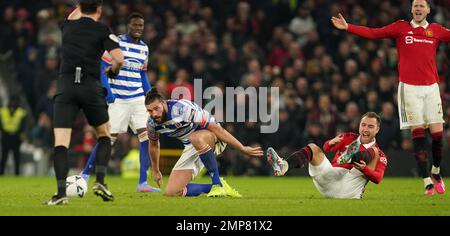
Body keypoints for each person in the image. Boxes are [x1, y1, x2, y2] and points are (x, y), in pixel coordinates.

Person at [331, 0, 449, 195]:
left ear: (428, 10)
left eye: (422, 6)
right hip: (409, 89)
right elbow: (374, 33)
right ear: (411, 9)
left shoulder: (436, 30)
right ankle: (426, 180)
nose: (418, 9)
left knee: (437, 135)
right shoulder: (401, 27)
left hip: (431, 88)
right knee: (418, 134)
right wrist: (348, 27)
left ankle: (435, 172)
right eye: (415, 5)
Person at [44, 0, 124, 205]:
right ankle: (100, 182)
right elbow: (119, 59)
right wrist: (112, 71)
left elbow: (72, 15)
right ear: (99, 9)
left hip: (66, 87)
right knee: (104, 135)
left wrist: (81, 5)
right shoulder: (102, 30)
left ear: (80, 7)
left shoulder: (68, 26)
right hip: (90, 87)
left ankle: (61, 194)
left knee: (61, 143)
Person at [80, 12, 160, 193]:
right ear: (128, 26)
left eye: (141, 25)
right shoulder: (116, 42)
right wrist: (107, 89)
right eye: (135, 25)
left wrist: (150, 95)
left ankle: (142, 183)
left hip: (138, 99)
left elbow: (142, 74)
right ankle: (84, 175)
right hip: (119, 99)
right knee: (107, 139)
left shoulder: (144, 48)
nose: (138, 28)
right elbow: (102, 68)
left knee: (147, 137)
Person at [145, 89, 264, 197]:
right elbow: (154, 145)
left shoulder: (181, 109)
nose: (154, 114)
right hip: (192, 145)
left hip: (214, 137)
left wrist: (242, 148)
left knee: (195, 138)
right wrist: (155, 170)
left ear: (163, 102)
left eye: (157, 108)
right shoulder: (152, 123)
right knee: (172, 192)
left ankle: (216, 183)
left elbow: (216, 129)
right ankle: (219, 187)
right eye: (150, 111)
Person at [267, 112, 388, 199]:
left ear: (377, 129)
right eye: (363, 125)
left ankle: (350, 158)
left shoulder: (380, 154)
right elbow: (326, 148)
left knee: (374, 152)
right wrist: (330, 142)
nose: (365, 129)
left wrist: (365, 169)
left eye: (370, 126)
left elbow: (378, 178)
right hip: (331, 178)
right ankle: (283, 166)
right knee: (313, 148)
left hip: (348, 188)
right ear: (359, 125)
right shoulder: (348, 137)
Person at [0, 95, 27, 176]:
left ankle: (17, 174)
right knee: (4, 156)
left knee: (16, 157)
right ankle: (1, 173)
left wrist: (17, 133)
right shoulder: (3, 111)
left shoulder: (21, 112)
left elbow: (23, 126)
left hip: (16, 137)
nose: (13, 103)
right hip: (6, 137)